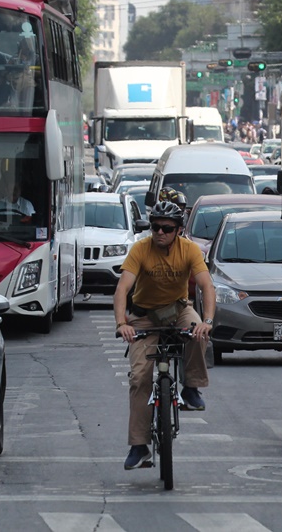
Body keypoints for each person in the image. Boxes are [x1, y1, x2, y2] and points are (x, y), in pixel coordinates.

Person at [114, 201, 216, 470]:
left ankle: (191, 387)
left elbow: (206, 286)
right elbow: (123, 288)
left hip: (178, 310)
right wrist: (121, 323)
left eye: (166, 228)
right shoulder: (140, 249)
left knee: (197, 333)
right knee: (139, 378)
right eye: (155, 226)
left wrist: (207, 321)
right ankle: (139, 446)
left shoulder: (190, 250)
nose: (159, 232)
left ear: (179, 230)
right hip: (143, 316)